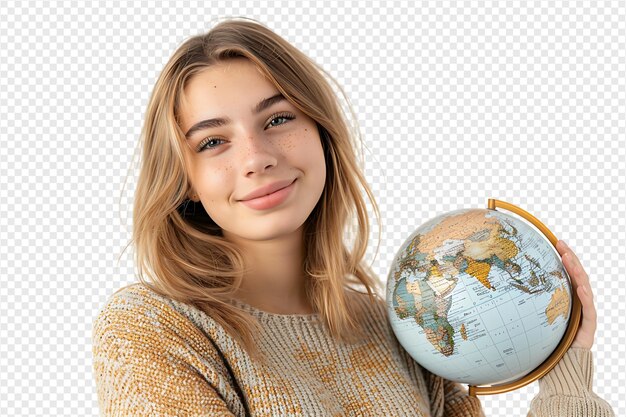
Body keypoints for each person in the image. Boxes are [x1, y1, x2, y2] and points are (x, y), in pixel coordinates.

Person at [91, 17, 615, 416]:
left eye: (277, 118)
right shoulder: (153, 327)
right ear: (184, 177)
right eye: (212, 141)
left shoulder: (408, 330)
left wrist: (565, 374)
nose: (256, 158)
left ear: (322, 132)